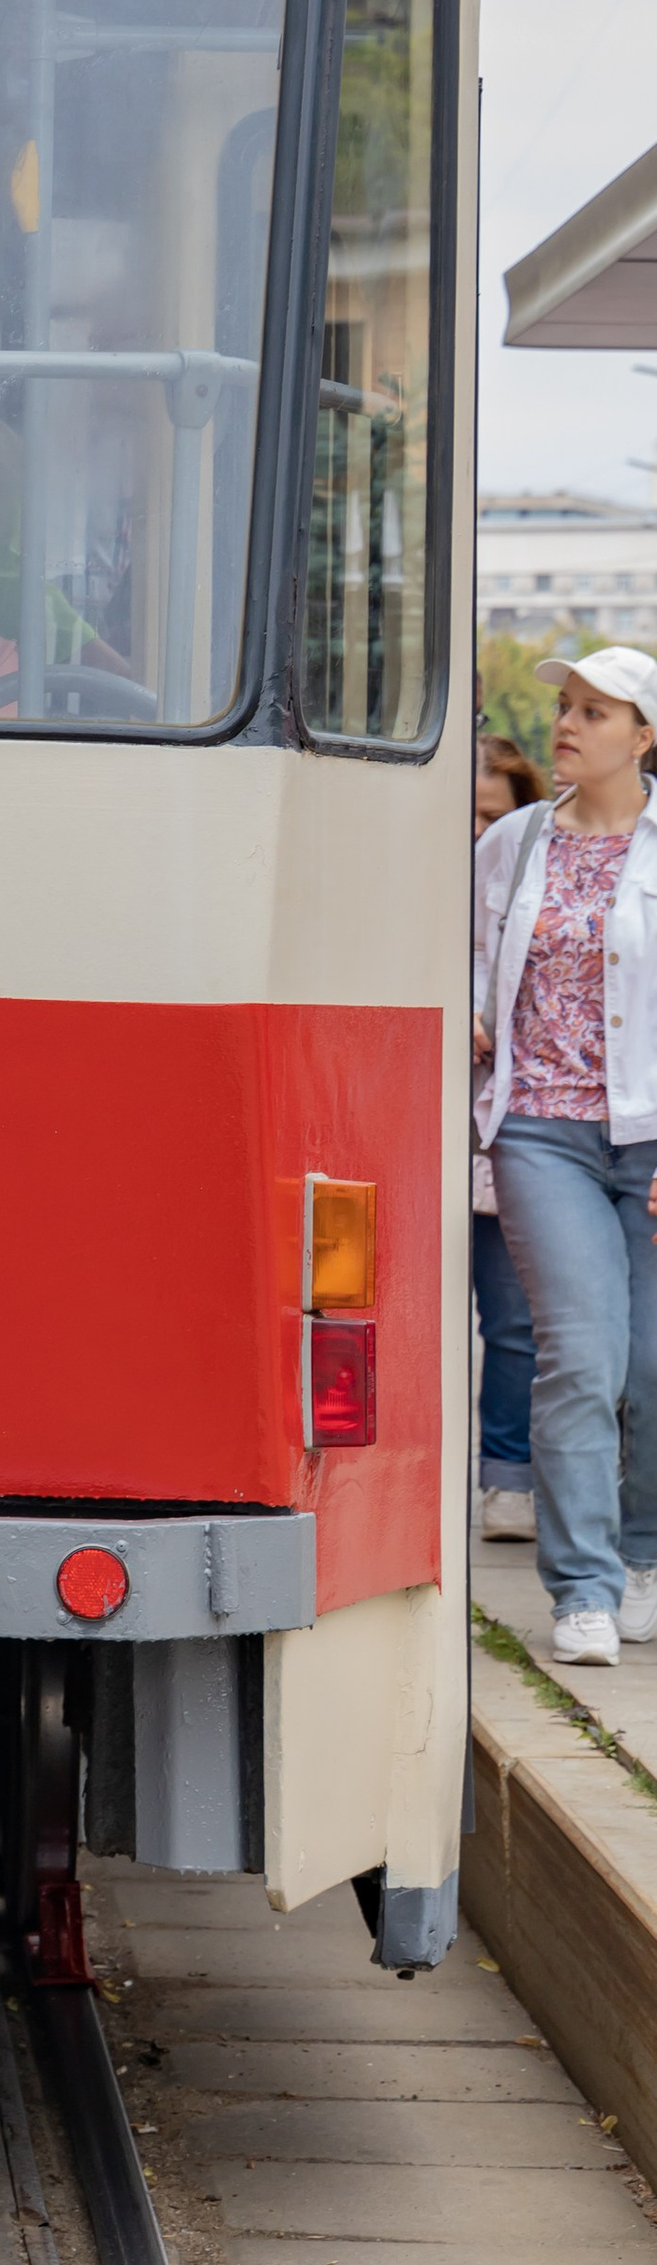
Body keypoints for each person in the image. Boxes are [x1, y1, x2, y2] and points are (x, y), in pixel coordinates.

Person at [474, 651, 657, 1665]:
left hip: (650, 1133)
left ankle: (643, 1555)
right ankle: (581, 1586)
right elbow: (461, 946)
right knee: (579, 1361)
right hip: (541, 1128)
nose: (567, 724)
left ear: (642, 738)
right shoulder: (511, 842)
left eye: (595, 711)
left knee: (649, 1369)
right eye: (561, 706)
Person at [472, 732, 547, 1543]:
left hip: (501, 1129)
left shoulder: (533, 881)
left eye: (490, 817)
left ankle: (508, 1478)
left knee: (513, 1319)